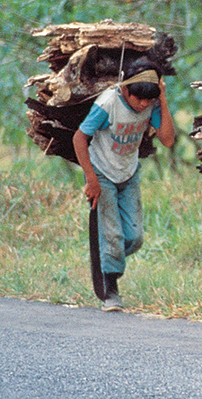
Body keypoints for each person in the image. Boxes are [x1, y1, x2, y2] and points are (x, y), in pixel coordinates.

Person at [72, 57, 175, 311]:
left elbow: (168, 140)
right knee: (114, 236)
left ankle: (107, 256)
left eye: (148, 100)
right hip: (102, 173)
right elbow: (79, 138)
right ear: (126, 90)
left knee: (135, 237)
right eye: (138, 99)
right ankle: (110, 292)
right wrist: (91, 180)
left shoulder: (151, 103)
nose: (142, 105)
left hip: (128, 173)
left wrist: (161, 100)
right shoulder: (108, 104)